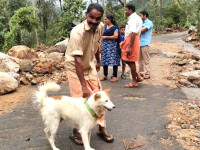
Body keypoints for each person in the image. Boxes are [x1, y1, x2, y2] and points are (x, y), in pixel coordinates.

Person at [65, 3, 114, 145]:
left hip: (89, 65)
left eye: (97, 18)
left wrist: (98, 60)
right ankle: (76, 131)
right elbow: (77, 62)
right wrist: (84, 86)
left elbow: (96, 44)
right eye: (91, 17)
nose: (94, 21)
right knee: (80, 100)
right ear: (86, 15)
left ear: (101, 19)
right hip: (75, 68)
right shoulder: (77, 32)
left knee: (100, 96)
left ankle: (101, 128)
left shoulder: (100, 27)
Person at [120, 4, 143, 88]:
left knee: (130, 59)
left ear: (130, 10)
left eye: (126, 10)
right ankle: (138, 76)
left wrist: (130, 46)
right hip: (132, 39)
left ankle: (134, 82)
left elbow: (133, 32)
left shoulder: (133, 19)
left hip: (132, 39)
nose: (125, 12)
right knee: (126, 58)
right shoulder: (136, 18)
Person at [100, 14, 120, 82]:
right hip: (104, 46)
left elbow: (115, 36)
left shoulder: (115, 28)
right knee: (104, 60)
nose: (104, 20)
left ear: (109, 19)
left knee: (113, 60)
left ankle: (115, 76)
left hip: (112, 46)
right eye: (104, 19)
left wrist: (106, 37)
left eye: (106, 19)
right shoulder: (104, 27)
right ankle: (105, 75)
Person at [139, 11, 153, 79]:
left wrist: (135, 30)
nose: (140, 16)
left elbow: (142, 31)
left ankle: (147, 73)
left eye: (141, 15)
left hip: (145, 43)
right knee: (140, 59)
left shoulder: (149, 22)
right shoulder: (141, 23)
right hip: (139, 43)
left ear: (145, 16)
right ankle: (141, 73)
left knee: (146, 59)